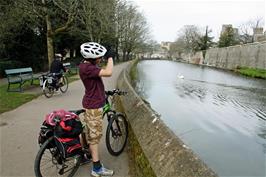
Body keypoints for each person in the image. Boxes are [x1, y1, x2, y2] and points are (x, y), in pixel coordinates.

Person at [79, 42, 115, 177]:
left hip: (91, 102)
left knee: (88, 131)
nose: (101, 59)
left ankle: (83, 155)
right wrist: (110, 57)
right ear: (92, 58)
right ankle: (97, 168)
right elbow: (109, 72)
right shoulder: (88, 68)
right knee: (94, 138)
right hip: (94, 107)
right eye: (99, 57)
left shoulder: (86, 65)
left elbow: (97, 79)